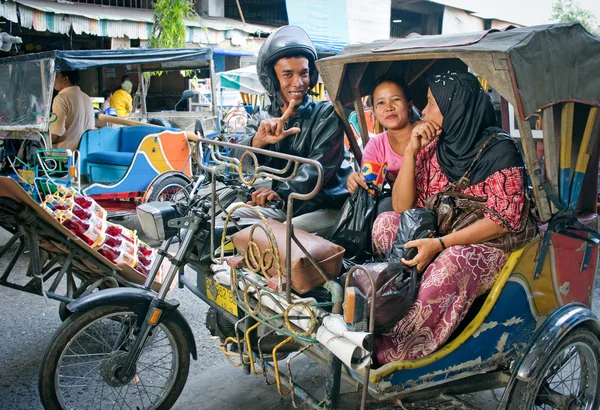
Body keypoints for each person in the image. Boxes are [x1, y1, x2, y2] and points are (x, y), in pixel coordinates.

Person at [371, 71, 530, 364]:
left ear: (455, 107)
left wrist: (441, 244)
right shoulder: (435, 145)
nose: (425, 110)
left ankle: (400, 346)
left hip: (486, 243)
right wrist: (411, 152)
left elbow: (501, 220)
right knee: (385, 224)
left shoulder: (500, 151)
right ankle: (392, 303)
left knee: (451, 261)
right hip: (441, 231)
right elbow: (403, 207)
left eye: (432, 103)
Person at [230, 25, 352, 236]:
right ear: (272, 79)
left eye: (303, 73)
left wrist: (277, 194)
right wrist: (258, 142)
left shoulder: (327, 114)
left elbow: (316, 172)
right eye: (288, 74)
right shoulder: (263, 118)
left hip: (327, 205)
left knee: (278, 237)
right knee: (228, 218)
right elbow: (237, 161)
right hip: (286, 204)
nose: (298, 83)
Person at [346, 76, 417, 213]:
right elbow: (372, 189)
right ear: (373, 112)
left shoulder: (426, 132)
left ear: (409, 105)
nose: (389, 108)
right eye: (381, 103)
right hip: (401, 205)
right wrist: (356, 181)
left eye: (395, 99)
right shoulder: (376, 145)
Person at [50, 70, 95, 151]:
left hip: (65, 154)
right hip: (84, 152)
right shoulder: (86, 97)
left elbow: (56, 134)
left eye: (56, 76)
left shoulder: (61, 98)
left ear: (65, 79)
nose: (53, 80)